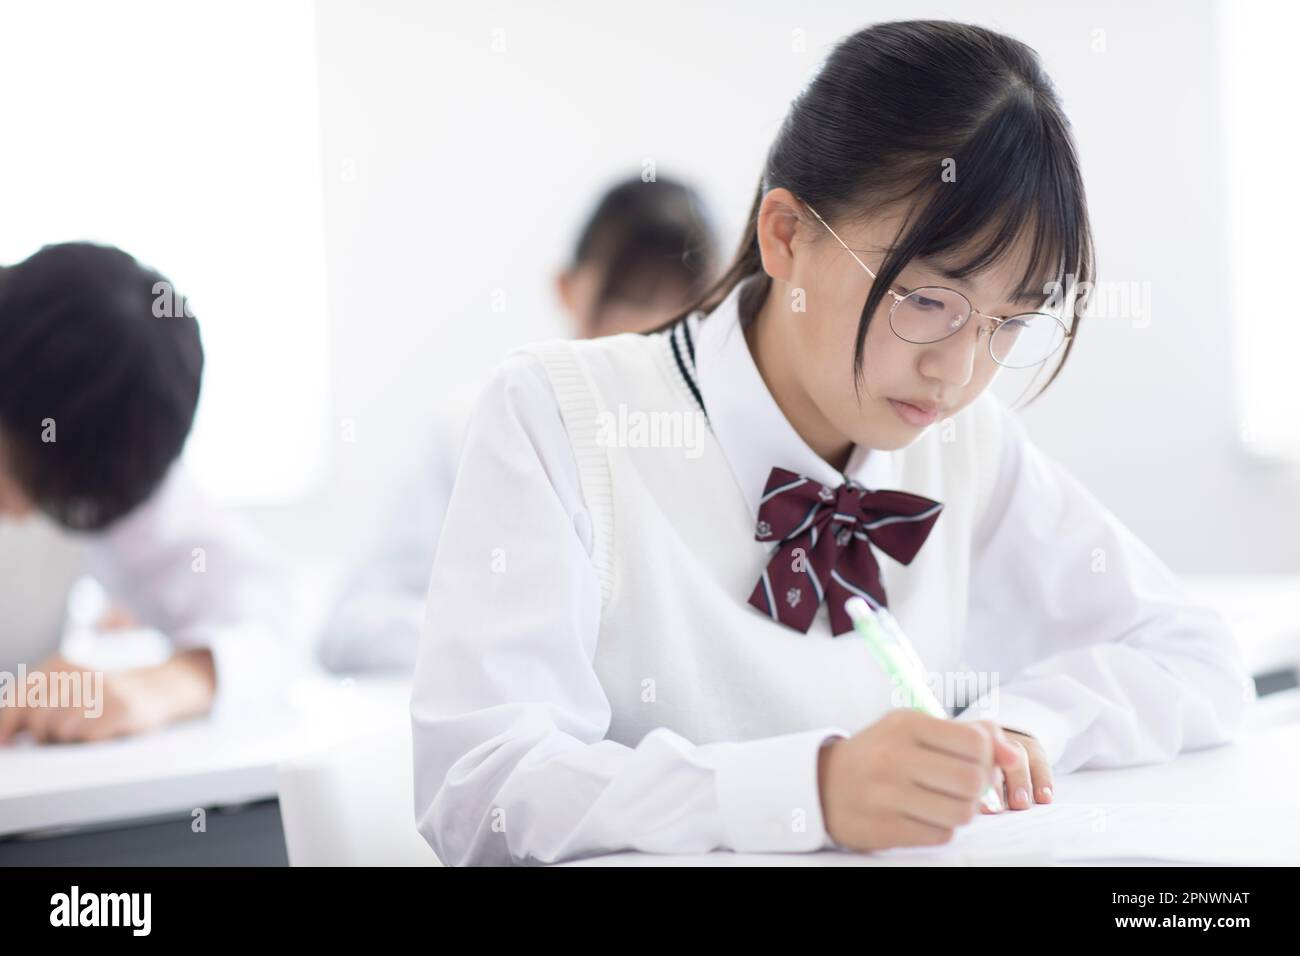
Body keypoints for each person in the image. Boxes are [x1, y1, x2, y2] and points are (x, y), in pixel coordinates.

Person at [411, 20, 1251, 865]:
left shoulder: (967, 442)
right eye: (926, 298)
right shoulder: (558, 412)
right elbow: (478, 788)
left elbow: (1196, 657)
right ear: (786, 235)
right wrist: (806, 792)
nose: (956, 372)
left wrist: (1022, 724)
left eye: (1011, 320)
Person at [318, 176, 718, 673]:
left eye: (689, 306)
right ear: (567, 290)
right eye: (633, 298)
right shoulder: (469, 428)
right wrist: (527, 642)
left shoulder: (718, 447)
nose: (658, 330)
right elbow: (352, 629)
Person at [0, 243, 289, 744]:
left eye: (54, 499)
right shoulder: (47, 378)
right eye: (19, 464)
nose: (21, 511)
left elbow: (269, 623)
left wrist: (165, 685)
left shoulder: (106, 436)